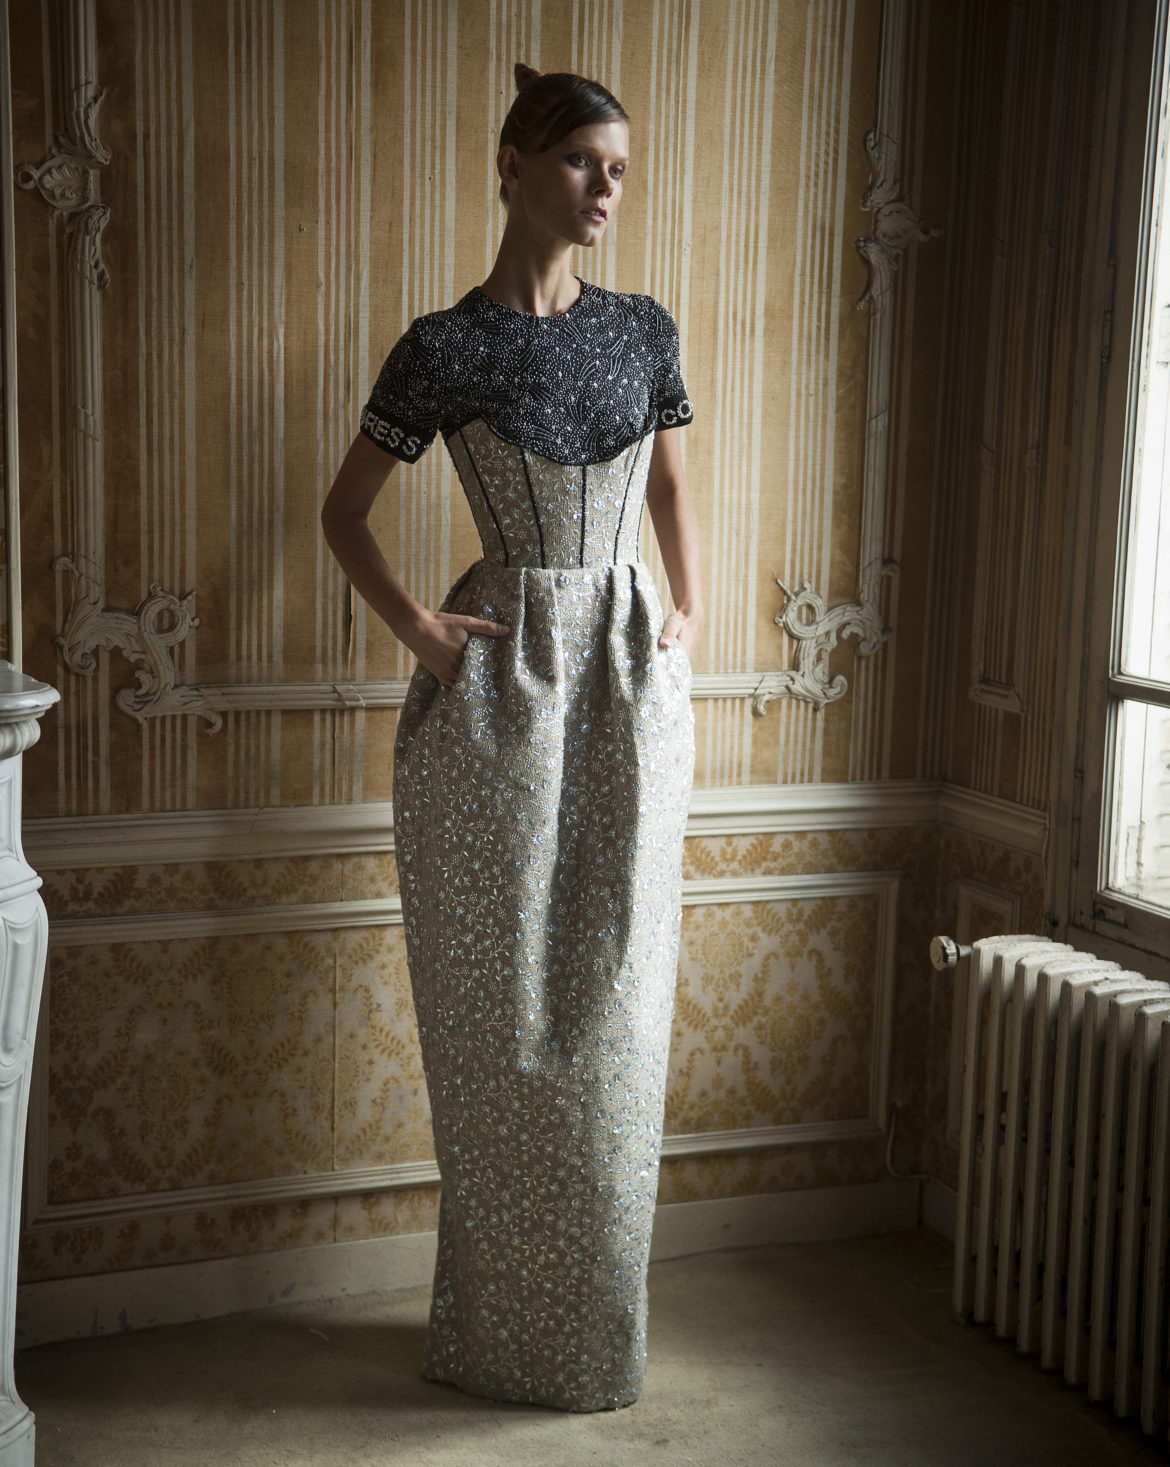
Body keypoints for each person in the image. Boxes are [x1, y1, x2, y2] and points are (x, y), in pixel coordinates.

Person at [321, 63, 703, 1413]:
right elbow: (343, 513)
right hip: (501, 686)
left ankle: (592, 1340)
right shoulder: (444, 347)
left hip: (629, 684)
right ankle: (498, 1336)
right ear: (513, 166)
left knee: (619, 1008)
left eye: (619, 169)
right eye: (584, 161)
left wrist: (690, 607)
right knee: (499, 1016)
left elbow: (669, 486)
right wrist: (422, 633)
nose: (607, 189)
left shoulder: (644, 329)